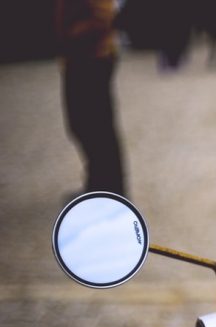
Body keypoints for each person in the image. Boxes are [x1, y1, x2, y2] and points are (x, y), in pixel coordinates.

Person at [56, 0, 126, 197]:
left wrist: (70, 36)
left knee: (96, 129)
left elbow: (103, 17)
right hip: (80, 56)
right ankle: (99, 184)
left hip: (92, 56)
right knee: (83, 127)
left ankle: (109, 190)